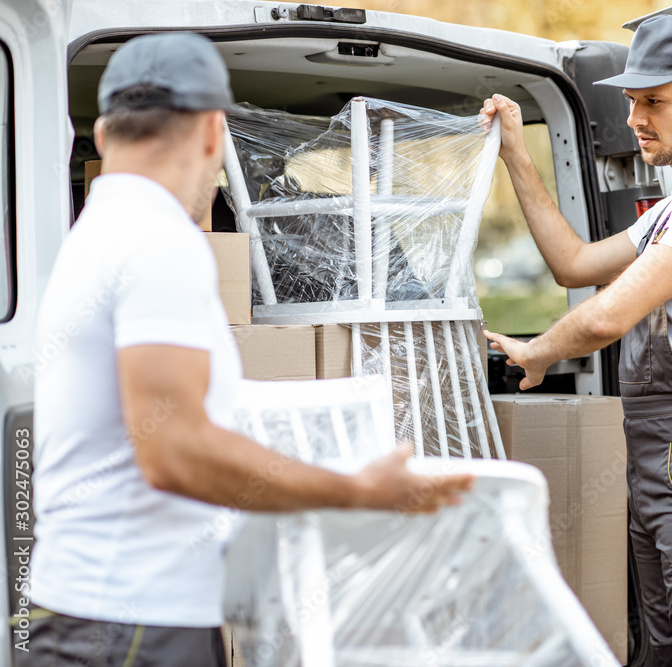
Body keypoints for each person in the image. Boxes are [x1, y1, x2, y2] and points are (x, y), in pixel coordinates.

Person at [26, 32, 472, 666]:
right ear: (213, 131)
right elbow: (175, 450)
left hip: (95, 614)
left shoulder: (96, 232)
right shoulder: (158, 241)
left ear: (100, 136)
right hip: (136, 626)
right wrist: (356, 490)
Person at [482, 14, 672, 667]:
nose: (636, 117)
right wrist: (515, 153)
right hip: (666, 460)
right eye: (631, 100)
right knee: (669, 652)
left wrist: (535, 352)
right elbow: (574, 264)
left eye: (655, 101)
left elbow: (602, 317)